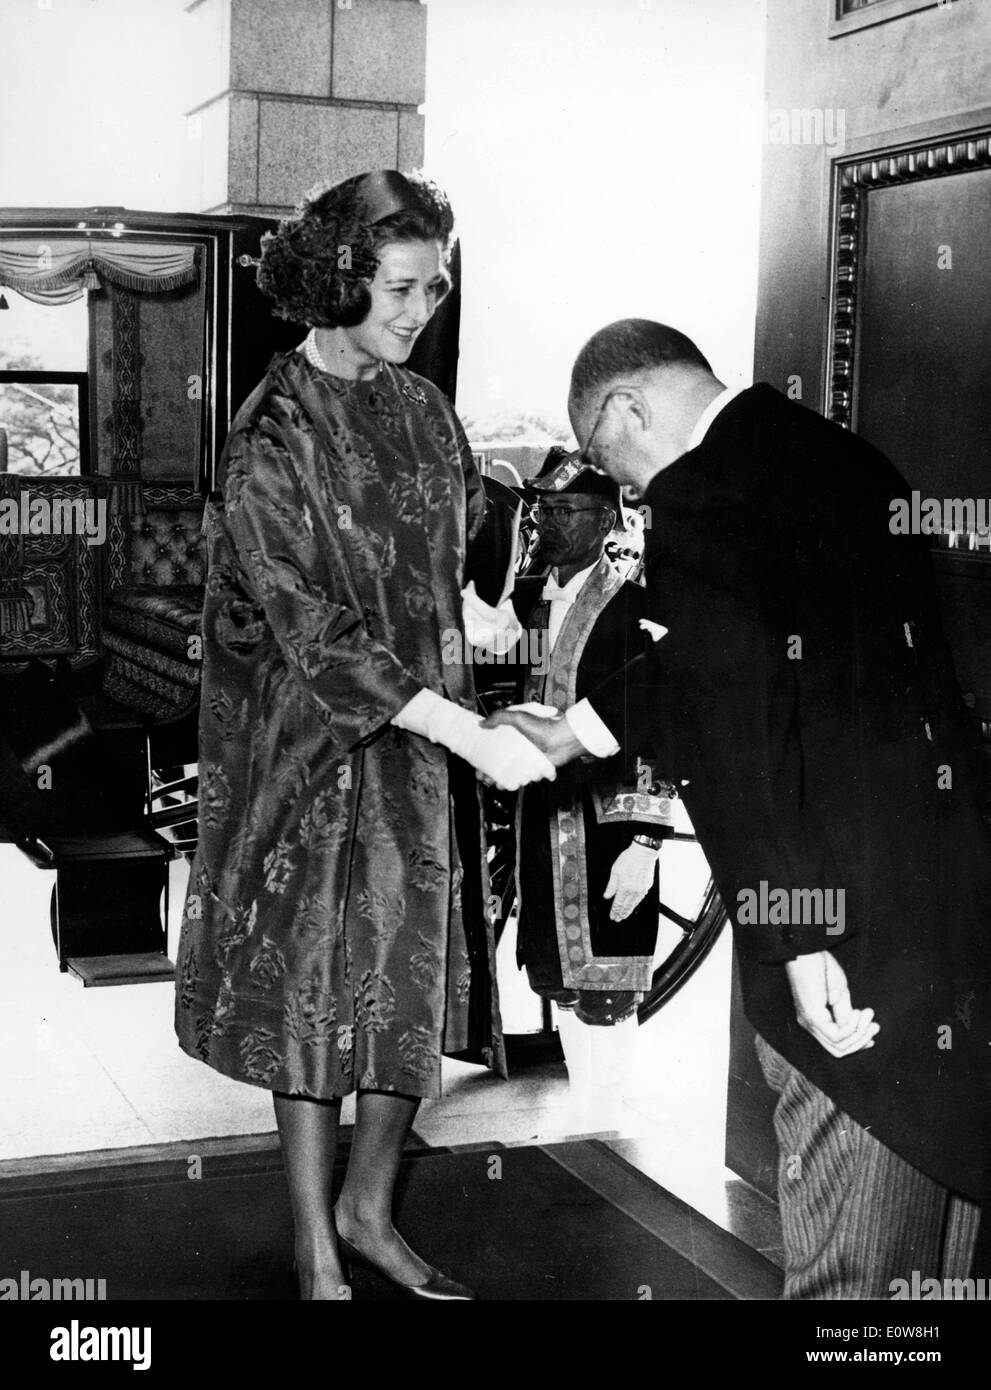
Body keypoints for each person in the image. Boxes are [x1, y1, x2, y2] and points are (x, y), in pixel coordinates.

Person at [484, 318, 991, 1298]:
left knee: (856, 1251)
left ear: (624, 407)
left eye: (601, 453)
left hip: (839, 913)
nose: (620, 481)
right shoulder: (843, 458)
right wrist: (576, 731)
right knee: (951, 1221)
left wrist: (794, 940)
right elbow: (724, 651)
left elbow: (731, 729)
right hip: (948, 887)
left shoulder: (697, 497)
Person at [174, 169, 553, 1302]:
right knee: (310, 987)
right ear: (338, 276)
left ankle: (369, 1210)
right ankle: (312, 1243)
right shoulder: (270, 429)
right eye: (398, 288)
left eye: (433, 290)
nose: (417, 313)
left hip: (415, 747)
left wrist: (496, 675)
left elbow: (443, 587)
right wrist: (460, 728)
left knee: (402, 973)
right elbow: (307, 623)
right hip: (299, 748)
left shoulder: (426, 412)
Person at [508, 453, 674, 1135]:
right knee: (562, 974)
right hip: (543, 819)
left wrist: (646, 841)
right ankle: (585, 1122)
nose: (545, 520)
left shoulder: (630, 601)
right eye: (541, 507)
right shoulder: (528, 597)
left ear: (605, 519)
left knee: (606, 977)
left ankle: (599, 1127)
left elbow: (661, 717)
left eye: (563, 509)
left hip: (609, 820)